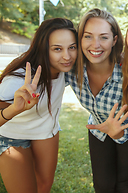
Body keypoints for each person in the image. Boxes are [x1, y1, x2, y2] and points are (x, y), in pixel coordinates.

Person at [65, 8, 128, 193]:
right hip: (98, 129)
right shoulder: (72, 70)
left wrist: (118, 135)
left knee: (122, 183)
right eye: (88, 36)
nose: (95, 45)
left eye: (104, 37)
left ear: (114, 40)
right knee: (103, 185)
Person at [0, 18, 78, 193]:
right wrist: (14, 109)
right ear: (43, 48)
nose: (67, 56)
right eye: (57, 49)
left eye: (72, 47)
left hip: (45, 132)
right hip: (11, 136)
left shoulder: (65, 69)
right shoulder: (18, 80)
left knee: (43, 187)